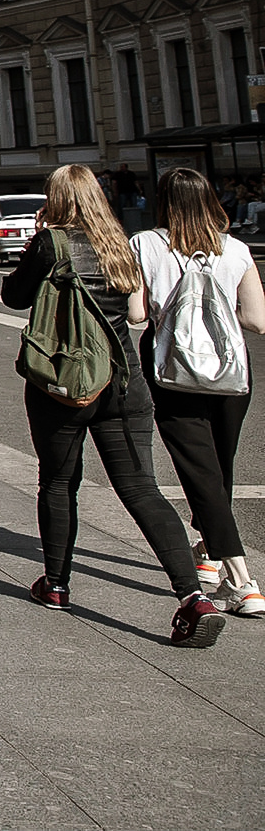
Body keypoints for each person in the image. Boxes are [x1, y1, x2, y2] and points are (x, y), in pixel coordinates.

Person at [2, 163, 225, 647]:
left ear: (56, 198)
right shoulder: (120, 244)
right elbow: (135, 312)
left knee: (59, 482)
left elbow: (13, 298)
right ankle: (193, 597)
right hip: (124, 385)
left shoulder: (51, 243)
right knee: (142, 489)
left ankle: (56, 585)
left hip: (64, 383)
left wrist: (31, 257)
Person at [133, 168, 265, 619]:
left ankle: (244, 582)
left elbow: (135, 314)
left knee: (201, 474)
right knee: (218, 469)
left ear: (164, 201)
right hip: (231, 375)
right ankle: (208, 551)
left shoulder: (146, 244)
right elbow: (257, 321)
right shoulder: (238, 249)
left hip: (175, 373)